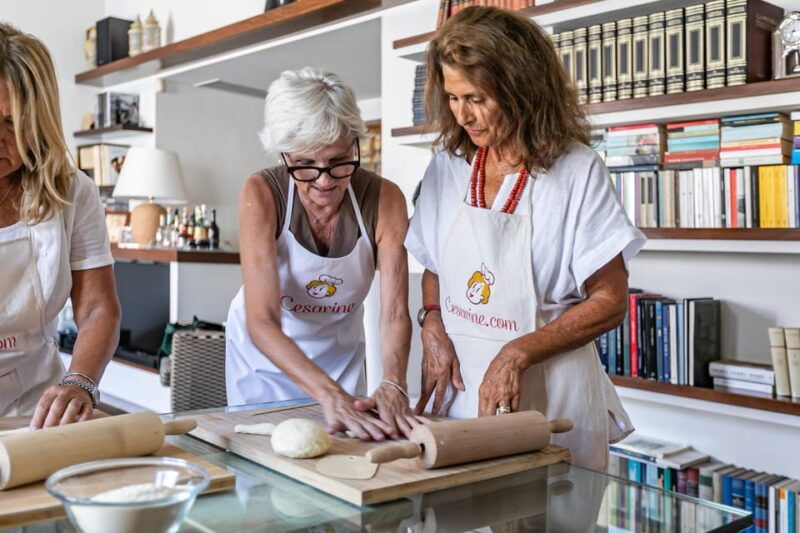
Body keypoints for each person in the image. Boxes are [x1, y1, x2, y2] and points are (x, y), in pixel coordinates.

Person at [405, 6, 646, 470]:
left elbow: (611, 300)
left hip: (552, 394)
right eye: (453, 98)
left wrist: (517, 354)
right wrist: (431, 323)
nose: (463, 115)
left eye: (475, 97)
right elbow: (434, 264)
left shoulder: (576, 171)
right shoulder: (447, 167)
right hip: (464, 392)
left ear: (519, 89)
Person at [226, 67, 417, 440]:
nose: (325, 181)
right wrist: (326, 393)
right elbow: (262, 321)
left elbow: (394, 311)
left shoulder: (384, 199)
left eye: (338, 162)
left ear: (355, 144)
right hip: (264, 366)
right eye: (305, 166)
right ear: (285, 156)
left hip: (340, 359)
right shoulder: (262, 193)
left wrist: (394, 381)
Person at [0, 23, 120, 427]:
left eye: (13, 123)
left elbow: (98, 309)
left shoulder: (71, 192)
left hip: (35, 409)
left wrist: (80, 383)